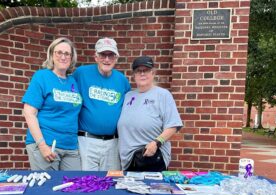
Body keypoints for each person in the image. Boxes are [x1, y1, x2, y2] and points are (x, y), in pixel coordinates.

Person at [22, 37, 82, 170]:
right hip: (47, 144)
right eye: (59, 52)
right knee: (46, 188)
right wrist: (42, 145)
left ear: (72, 58)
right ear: (51, 55)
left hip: (70, 147)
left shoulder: (73, 81)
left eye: (67, 54)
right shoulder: (42, 76)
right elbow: (29, 113)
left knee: (73, 187)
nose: (63, 57)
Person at [73, 37, 131, 171]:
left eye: (111, 55)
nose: (107, 59)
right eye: (103, 55)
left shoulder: (122, 80)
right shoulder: (81, 73)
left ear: (116, 58)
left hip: (113, 142)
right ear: (96, 57)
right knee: (86, 183)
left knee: (110, 182)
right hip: (87, 141)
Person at [117, 56, 183, 171]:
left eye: (146, 70)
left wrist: (156, 143)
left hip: (150, 156)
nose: (142, 74)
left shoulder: (163, 95)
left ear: (153, 73)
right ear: (134, 75)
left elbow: (173, 125)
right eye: (138, 71)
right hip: (128, 160)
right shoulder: (128, 96)